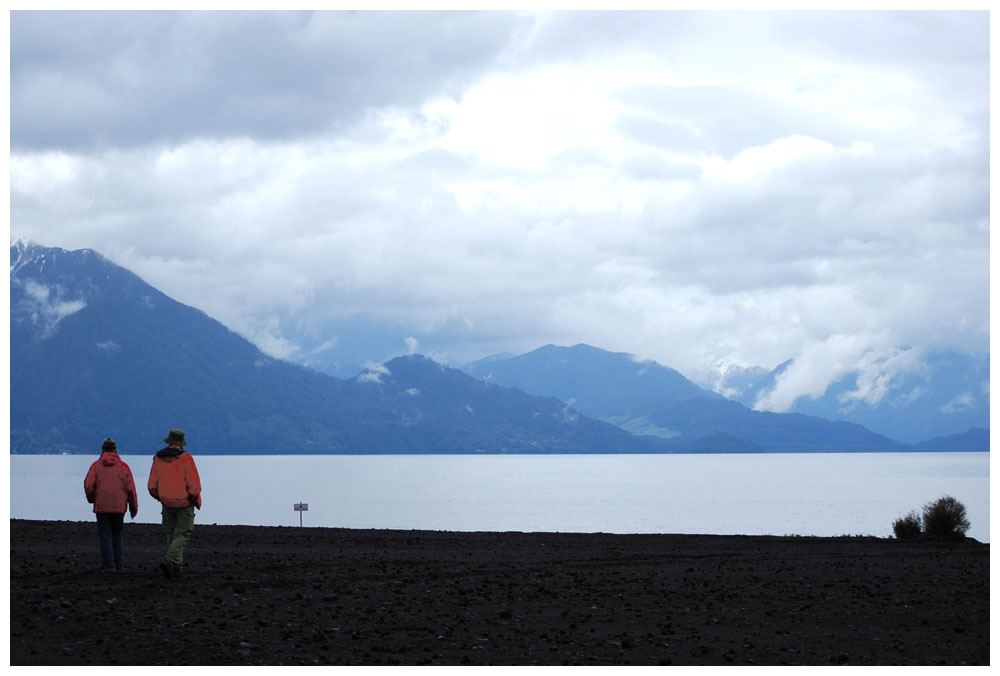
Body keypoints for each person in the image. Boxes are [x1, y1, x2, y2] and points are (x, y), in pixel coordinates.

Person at [148, 428, 202, 578]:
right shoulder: (186, 458)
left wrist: (161, 497)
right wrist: (194, 499)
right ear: (181, 443)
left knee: (171, 535)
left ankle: (175, 568)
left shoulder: (158, 458)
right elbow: (194, 485)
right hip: (184, 502)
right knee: (183, 533)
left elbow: (152, 485)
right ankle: (170, 560)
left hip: (166, 502)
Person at [84, 437, 138, 572]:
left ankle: (109, 565)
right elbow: (131, 489)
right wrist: (133, 507)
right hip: (119, 507)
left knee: (105, 535)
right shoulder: (124, 467)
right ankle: (119, 563)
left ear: (102, 450)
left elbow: (88, 486)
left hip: (102, 506)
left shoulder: (96, 466)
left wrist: (92, 499)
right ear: (115, 450)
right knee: (117, 534)